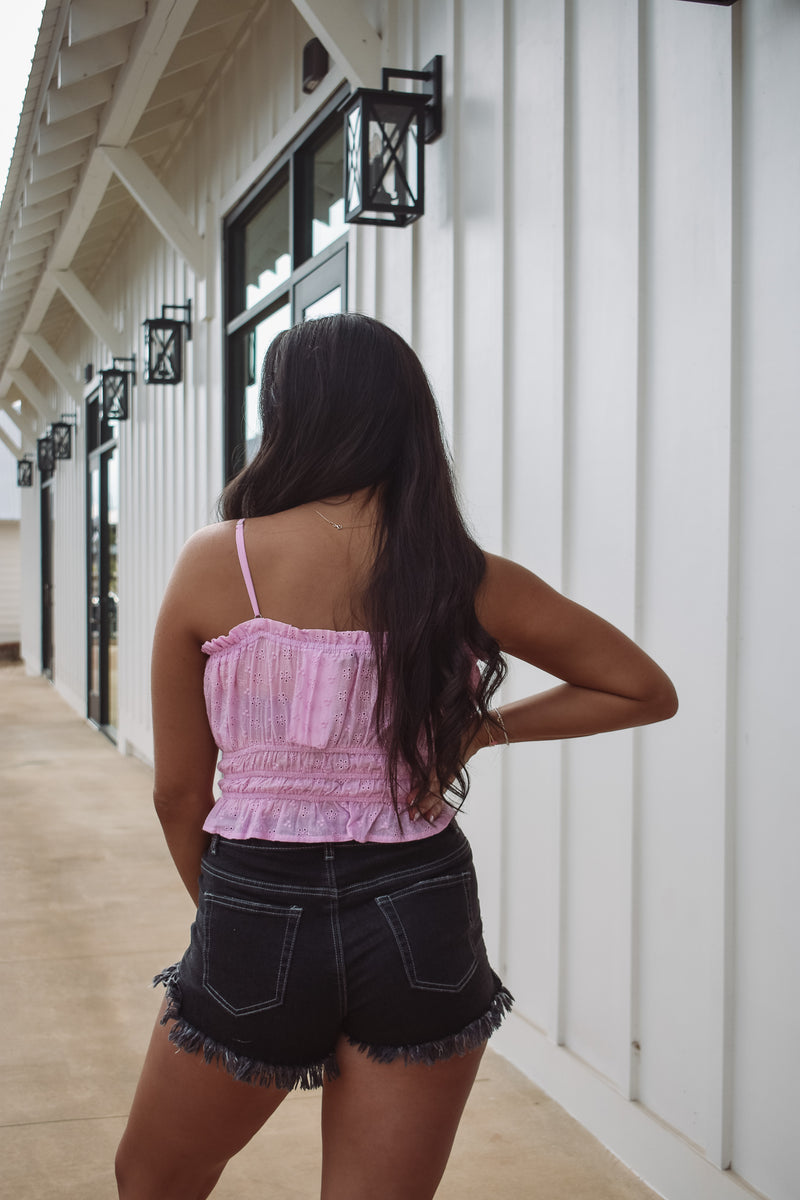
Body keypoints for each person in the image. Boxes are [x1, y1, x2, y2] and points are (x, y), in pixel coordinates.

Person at [115, 314, 677, 1199]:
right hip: (422, 906)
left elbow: (179, 796)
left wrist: (233, 921)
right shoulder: (457, 571)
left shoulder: (215, 563)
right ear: (406, 419)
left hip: (260, 898)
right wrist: (478, 729)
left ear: (288, 416)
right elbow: (642, 687)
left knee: (154, 1178)